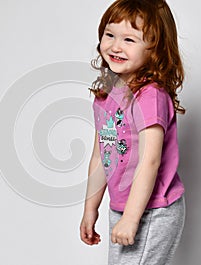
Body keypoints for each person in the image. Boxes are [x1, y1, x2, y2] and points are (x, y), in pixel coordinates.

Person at [80, 0, 186, 264]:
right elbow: (100, 157)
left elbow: (151, 160)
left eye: (129, 39)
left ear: (155, 49)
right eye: (110, 34)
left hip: (152, 211)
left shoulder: (150, 96)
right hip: (122, 208)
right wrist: (90, 207)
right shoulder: (106, 96)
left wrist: (131, 217)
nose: (116, 46)